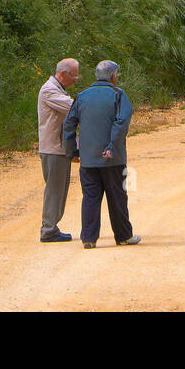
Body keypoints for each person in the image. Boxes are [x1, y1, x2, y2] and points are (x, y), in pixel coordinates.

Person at [62, 60, 141, 248]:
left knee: (90, 198)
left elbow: (68, 125)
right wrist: (111, 146)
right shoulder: (118, 94)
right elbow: (121, 123)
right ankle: (123, 236)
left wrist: (72, 151)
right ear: (113, 76)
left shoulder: (81, 96)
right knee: (117, 198)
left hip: (88, 160)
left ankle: (89, 239)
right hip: (113, 160)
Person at [37, 58, 79, 242]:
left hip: (59, 148)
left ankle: (52, 227)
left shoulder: (57, 89)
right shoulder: (49, 90)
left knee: (60, 189)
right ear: (64, 74)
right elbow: (74, 108)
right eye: (74, 77)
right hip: (53, 148)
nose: (74, 81)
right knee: (55, 189)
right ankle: (48, 229)